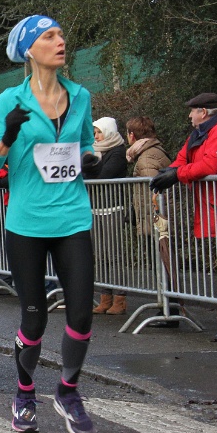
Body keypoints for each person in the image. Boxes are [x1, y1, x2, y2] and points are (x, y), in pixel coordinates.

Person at [0, 14, 97, 433]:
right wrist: (7, 137)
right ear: (30, 50)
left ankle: (68, 391)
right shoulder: (10, 100)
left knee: (81, 314)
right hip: (27, 222)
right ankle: (24, 394)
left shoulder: (80, 95)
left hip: (72, 216)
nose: (60, 41)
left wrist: (89, 158)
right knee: (34, 320)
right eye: (49, 36)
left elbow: (86, 143)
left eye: (61, 34)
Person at [149, 92, 217, 342]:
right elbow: (184, 157)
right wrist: (170, 170)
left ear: (203, 112)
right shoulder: (203, 132)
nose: (189, 115)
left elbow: (212, 166)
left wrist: (176, 174)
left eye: (192, 110)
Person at [123, 116, 175, 327]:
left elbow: (152, 194)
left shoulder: (146, 158)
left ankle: (168, 308)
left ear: (132, 135)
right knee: (162, 262)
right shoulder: (153, 151)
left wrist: (150, 221)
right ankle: (167, 305)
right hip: (155, 217)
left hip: (155, 219)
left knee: (162, 262)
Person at [83, 117, 128, 315]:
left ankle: (120, 298)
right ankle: (105, 297)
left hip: (113, 207)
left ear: (108, 131)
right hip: (96, 207)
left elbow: (104, 176)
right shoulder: (95, 152)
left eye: (99, 132)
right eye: (95, 133)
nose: (97, 136)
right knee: (100, 256)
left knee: (114, 254)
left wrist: (89, 171)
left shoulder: (117, 151)